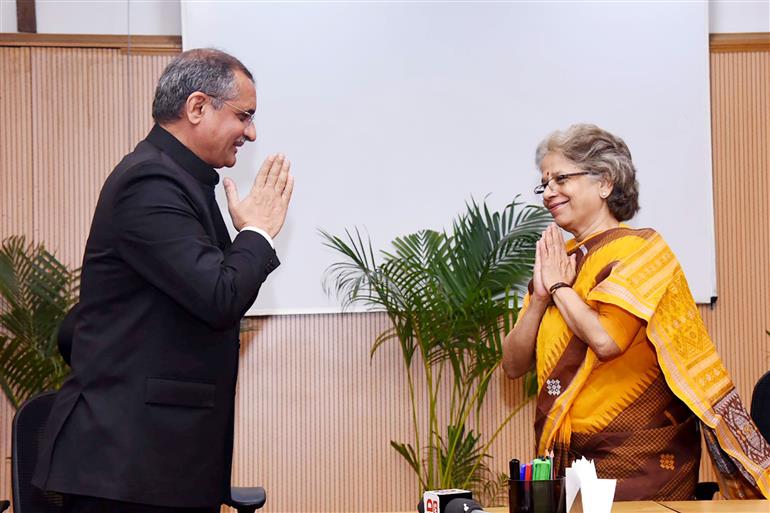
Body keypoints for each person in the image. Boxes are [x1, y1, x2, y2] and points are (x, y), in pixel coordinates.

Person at [32, 48, 294, 512]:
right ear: (197, 107)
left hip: (152, 466)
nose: (251, 133)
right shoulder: (151, 180)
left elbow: (91, 323)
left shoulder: (181, 179)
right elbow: (219, 296)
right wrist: (256, 233)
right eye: (244, 116)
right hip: (129, 470)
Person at [502, 124, 770, 500]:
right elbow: (513, 366)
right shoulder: (556, 263)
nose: (548, 192)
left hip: (637, 463)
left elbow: (606, 340)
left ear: (605, 183)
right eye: (543, 183)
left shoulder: (640, 251)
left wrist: (561, 288)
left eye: (561, 178)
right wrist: (542, 296)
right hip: (564, 461)